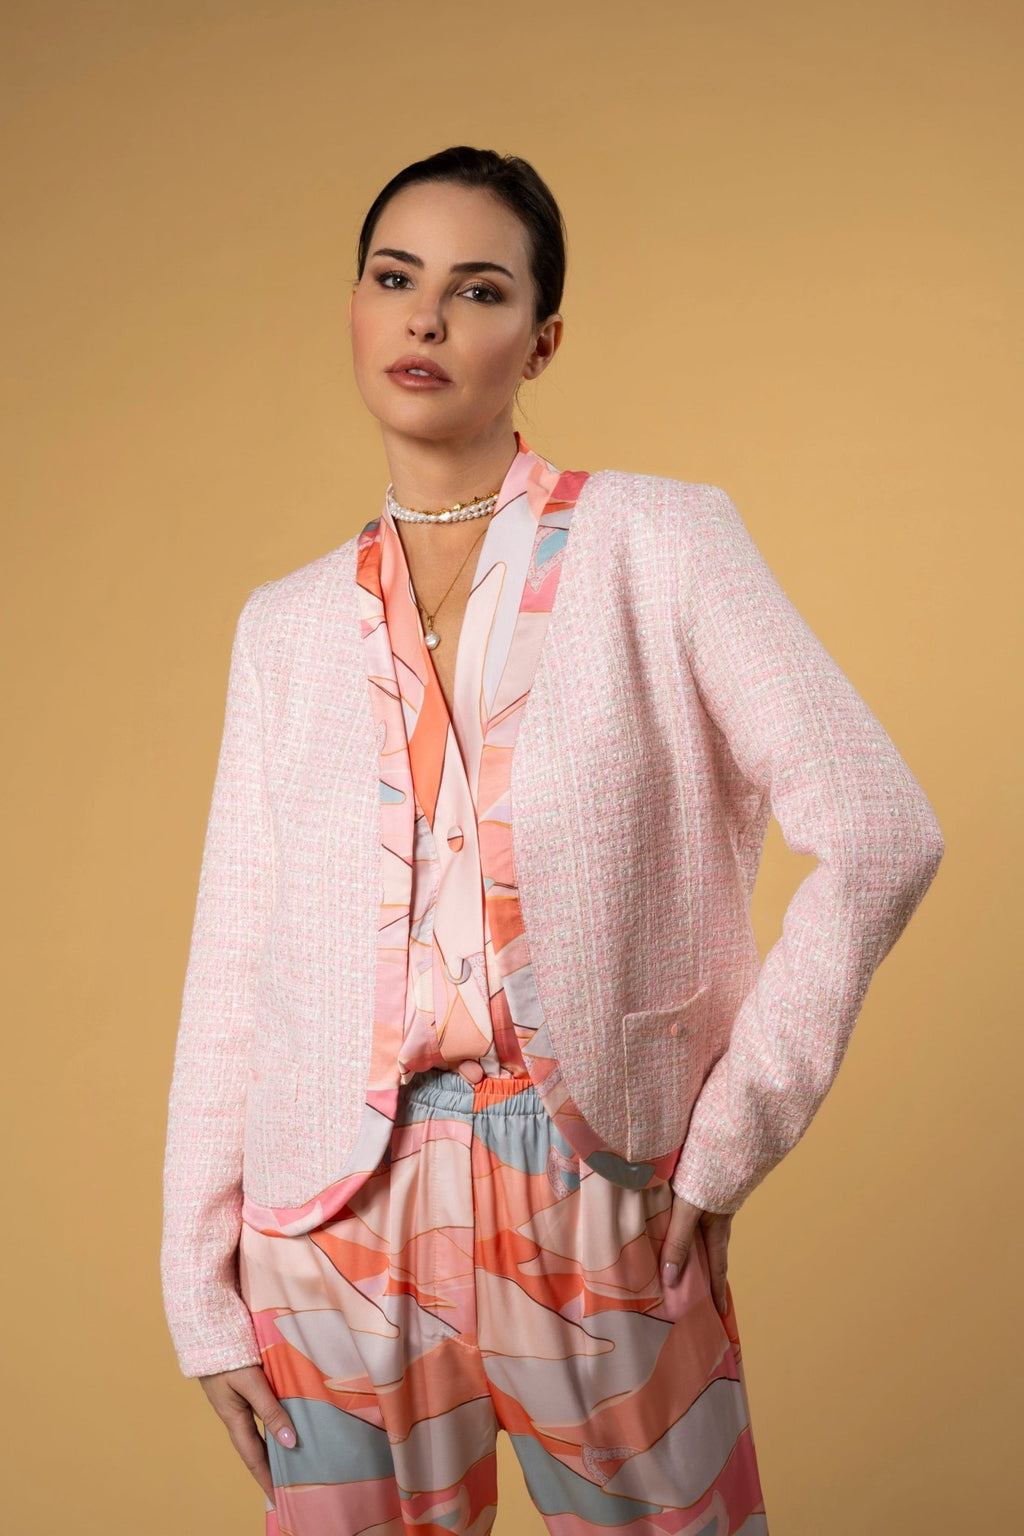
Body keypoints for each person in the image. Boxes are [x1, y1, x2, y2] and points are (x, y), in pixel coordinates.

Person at [160, 145, 945, 1535]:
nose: (425, 318)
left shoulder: (664, 543)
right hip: (326, 1221)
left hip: (594, 1184)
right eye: (394, 278)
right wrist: (198, 1289)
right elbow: (236, 965)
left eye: (478, 290)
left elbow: (882, 831)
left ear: (541, 340)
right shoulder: (282, 627)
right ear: (355, 305)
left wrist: (728, 1141)